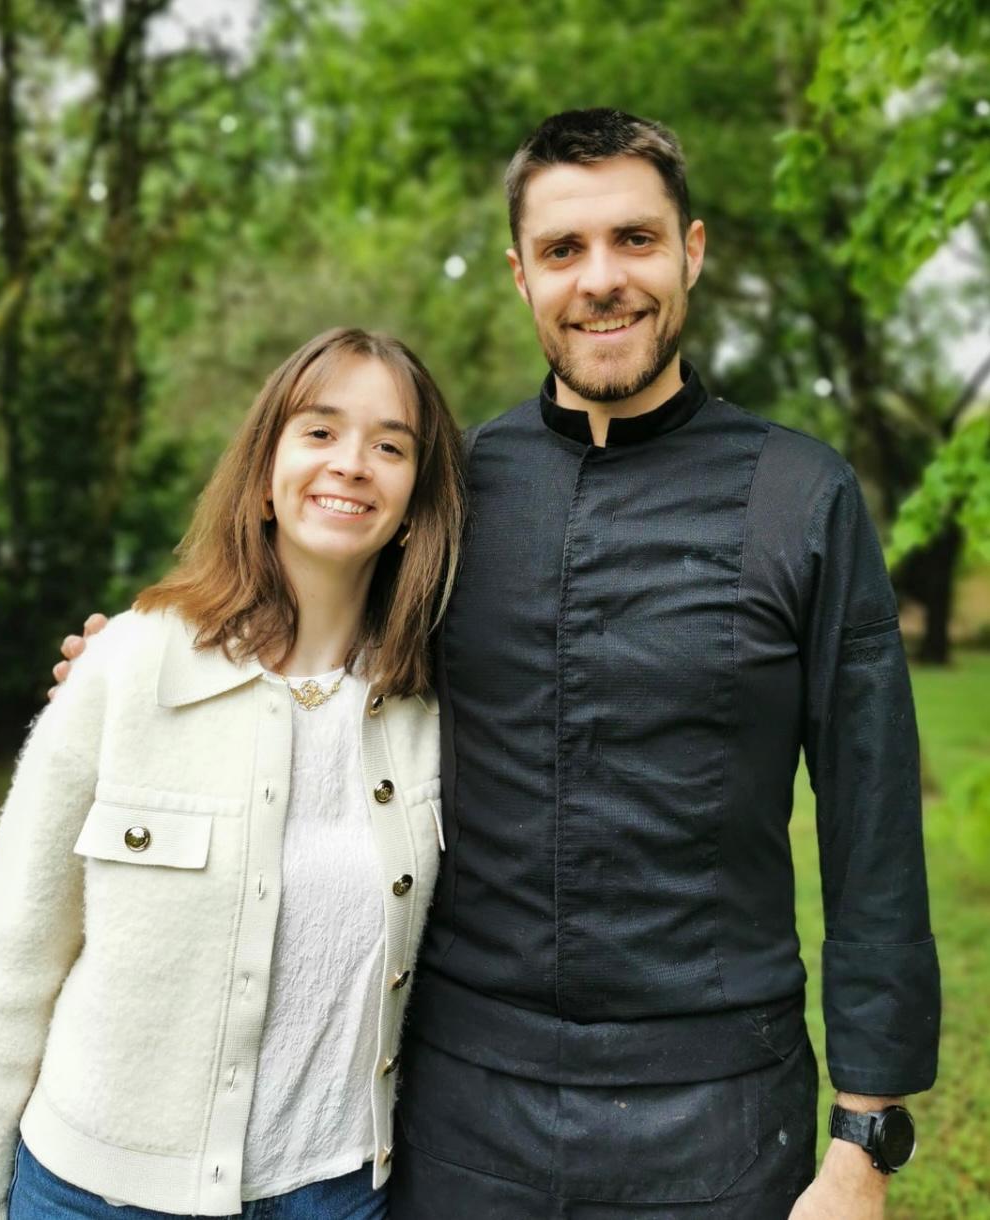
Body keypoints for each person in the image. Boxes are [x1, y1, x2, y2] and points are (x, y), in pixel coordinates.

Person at [52, 110, 940, 1219]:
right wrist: (139, 664)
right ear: (522, 276)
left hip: (718, 1108)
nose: (602, 279)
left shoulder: (805, 499)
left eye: (636, 240)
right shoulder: (452, 491)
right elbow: (303, 640)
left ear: (693, 250)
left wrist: (862, 1145)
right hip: (462, 1107)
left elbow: (874, 838)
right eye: (565, 251)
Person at [0, 327, 465, 1220]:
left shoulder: (436, 713)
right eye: (319, 432)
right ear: (265, 472)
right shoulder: (129, 666)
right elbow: (14, 956)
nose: (351, 464)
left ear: (417, 499)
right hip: (93, 1197)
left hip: (335, 1195)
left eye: (390, 445)